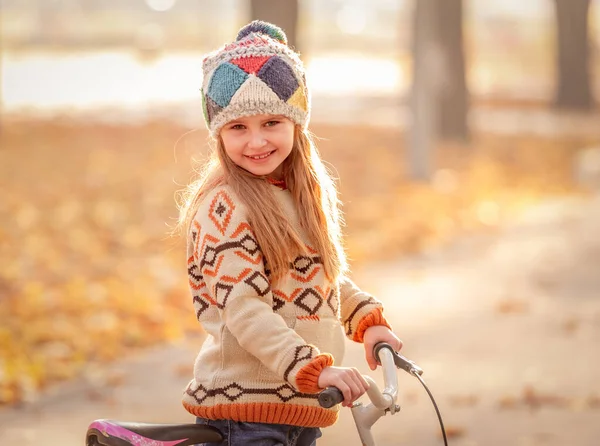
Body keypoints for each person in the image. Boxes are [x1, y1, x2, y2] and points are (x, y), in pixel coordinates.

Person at [177, 20, 402, 446]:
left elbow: (314, 278)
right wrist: (314, 368)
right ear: (218, 133)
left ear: (297, 123)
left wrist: (367, 320)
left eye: (272, 122)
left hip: (303, 404)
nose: (256, 141)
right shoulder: (224, 206)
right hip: (247, 413)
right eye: (238, 127)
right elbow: (245, 310)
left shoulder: (296, 195)